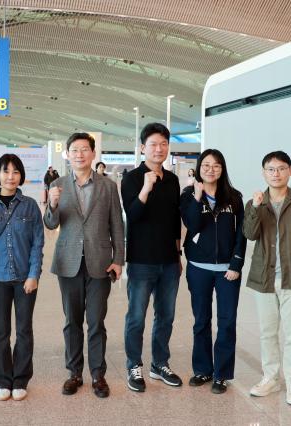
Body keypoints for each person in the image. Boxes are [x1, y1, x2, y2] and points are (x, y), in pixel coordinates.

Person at [44, 132, 124, 399]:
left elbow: (117, 225)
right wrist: (53, 204)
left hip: (100, 263)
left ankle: (98, 375)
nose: (79, 154)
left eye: (84, 149)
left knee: (96, 322)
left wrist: (118, 259)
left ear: (92, 153)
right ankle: (74, 373)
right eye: (74, 150)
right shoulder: (57, 184)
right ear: (67, 154)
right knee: (72, 321)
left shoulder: (108, 186)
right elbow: (51, 223)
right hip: (68, 262)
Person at [243, 151, 291, 406]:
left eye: (281, 168)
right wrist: (254, 207)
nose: (276, 173)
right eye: (271, 169)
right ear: (264, 172)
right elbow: (249, 234)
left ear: (289, 171)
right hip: (263, 277)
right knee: (267, 333)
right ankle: (271, 378)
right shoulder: (256, 202)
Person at [0, 154, 44, 402]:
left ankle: (20, 379)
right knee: (1, 331)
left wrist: (34, 274)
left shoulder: (30, 205)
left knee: (24, 330)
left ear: (21, 176)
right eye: (5, 171)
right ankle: (2, 379)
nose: (10, 176)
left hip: (25, 278)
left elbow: (37, 243)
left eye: (15, 172)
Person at [121, 123, 183, 393]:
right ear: (142, 148)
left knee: (166, 316)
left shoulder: (172, 180)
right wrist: (145, 189)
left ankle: (160, 363)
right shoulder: (132, 178)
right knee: (136, 316)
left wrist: (178, 252)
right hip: (141, 261)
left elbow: (174, 219)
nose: (159, 149)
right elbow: (132, 217)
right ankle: (134, 365)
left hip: (169, 260)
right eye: (153, 144)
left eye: (163, 144)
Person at [180, 149, 246, 395]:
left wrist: (236, 264)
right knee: (201, 321)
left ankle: (222, 374)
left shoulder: (234, 197)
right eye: (206, 165)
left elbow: (242, 234)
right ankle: (203, 369)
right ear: (199, 168)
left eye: (216, 165)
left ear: (222, 169)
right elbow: (192, 225)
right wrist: (197, 197)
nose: (210, 169)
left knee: (227, 322)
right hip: (198, 268)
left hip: (227, 271)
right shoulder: (188, 195)